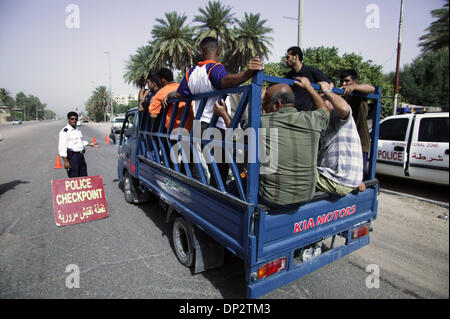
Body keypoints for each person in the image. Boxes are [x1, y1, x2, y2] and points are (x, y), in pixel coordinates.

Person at [214, 78, 330, 207]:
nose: (263, 107)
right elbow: (325, 111)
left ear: (277, 104)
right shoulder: (311, 119)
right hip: (306, 195)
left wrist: (223, 114)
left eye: (266, 103)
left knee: (232, 186)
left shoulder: (262, 123)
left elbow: (237, 137)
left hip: (274, 199)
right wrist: (309, 87)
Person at [176, 36, 263, 184]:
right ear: (219, 52)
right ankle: (219, 195)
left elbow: (180, 93)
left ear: (201, 51)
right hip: (215, 125)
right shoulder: (215, 68)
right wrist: (247, 74)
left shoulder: (190, 73)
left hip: (199, 126)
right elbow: (224, 81)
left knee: (209, 167)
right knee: (220, 170)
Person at [315, 81, 365, 195]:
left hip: (339, 179)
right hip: (343, 179)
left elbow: (344, 108)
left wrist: (327, 92)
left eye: (322, 99)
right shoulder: (324, 124)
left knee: (293, 172)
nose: (318, 104)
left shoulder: (337, 117)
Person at [339, 69, 375, 180]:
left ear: (355, 81)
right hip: (345, 142)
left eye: (347, 81)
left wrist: (353, 88)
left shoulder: (359, 92)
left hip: (360, 143)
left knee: (359, 179)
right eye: (342, 82)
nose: (344, 84)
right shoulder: (343, 95)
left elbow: (372, 88)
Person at [284, 46, 331, 112]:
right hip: (293, 115)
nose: (285, 60)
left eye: (288, 57)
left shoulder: (311, 71)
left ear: (296, 57)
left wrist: (321, 86)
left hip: (308, 116)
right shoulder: (289, 75)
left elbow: (329, 84)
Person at [148, 68, 193, 132]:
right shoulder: (182, 88)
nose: (159, 82)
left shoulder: (160, 93)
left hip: (173, 131)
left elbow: (153, 115)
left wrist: (151, 103)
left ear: (163, 80)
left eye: (159, 80)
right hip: (189, 128)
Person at [58, 111, 99, 178]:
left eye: (76, 119)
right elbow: (62, 147)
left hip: (80, 156)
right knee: (74, 178)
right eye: (72, 119)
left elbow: (80, 142)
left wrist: (91, 144)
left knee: (84, 177)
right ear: (68, 119)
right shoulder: (65, 132)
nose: (74, 120)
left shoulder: (77, 130)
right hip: (72, 157)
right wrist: (65, 162)